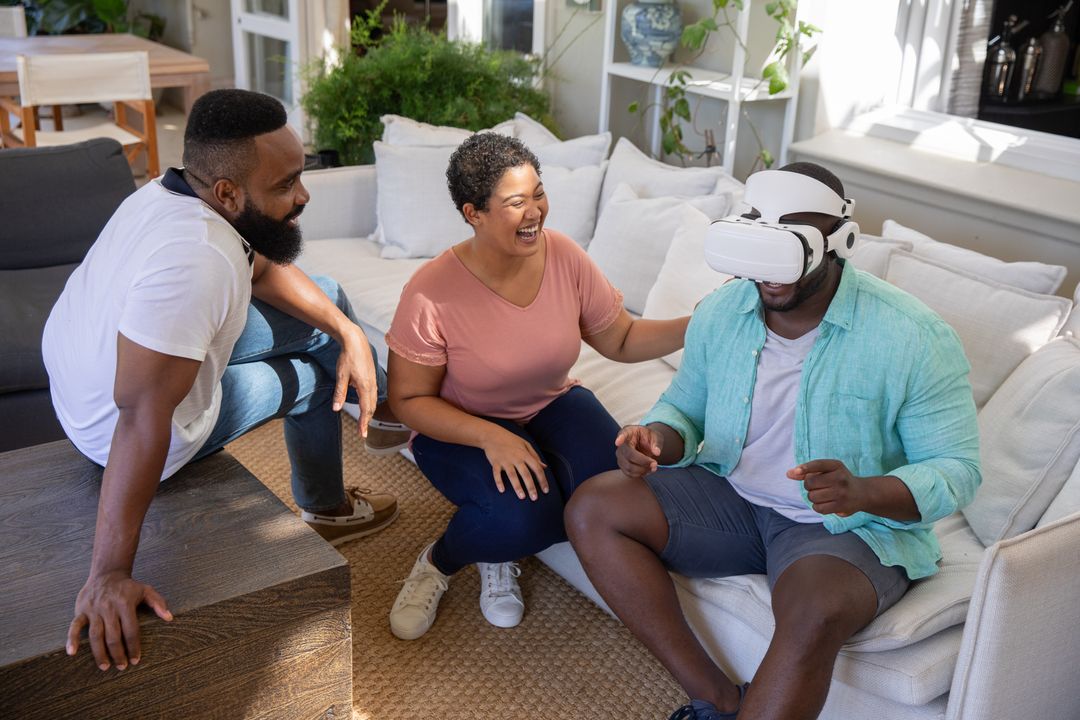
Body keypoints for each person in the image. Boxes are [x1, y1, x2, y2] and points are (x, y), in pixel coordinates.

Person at [564, 162, 981, 720]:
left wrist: (864, 491)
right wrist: (654, 439)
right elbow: (683, 409)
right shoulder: (723, 309)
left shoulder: (913, 336)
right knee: (593, 506)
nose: (770, 273)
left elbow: (957, 468)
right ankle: (717, 699)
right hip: (734, 499)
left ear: (839, 242)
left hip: (841, 528)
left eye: (790, 246)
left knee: (813, 610)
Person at [42, 89, 409, 673]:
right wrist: (109, 573)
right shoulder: (199, 261)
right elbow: (141, 416)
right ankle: (331, 502)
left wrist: (350, 333)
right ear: (228, 193)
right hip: (115, 428)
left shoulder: (168, 192)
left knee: (330, 304)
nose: (304, 195)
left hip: (93, 375)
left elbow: (257, 269)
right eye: (286, 184)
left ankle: (382, 400)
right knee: (314, 377)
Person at [384, 132, 692, 640]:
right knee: (526, 519)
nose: (535, 213)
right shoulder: (430, 292)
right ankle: (441, 561)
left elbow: (621, 338)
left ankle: (496, 543)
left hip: (550, 403)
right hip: (461, 425)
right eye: (515, 203)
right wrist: (491, 436)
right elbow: (408, 399)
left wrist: (697, 324)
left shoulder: (565, 256)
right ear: (473, 213)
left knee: (613, 493)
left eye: (539, 194)